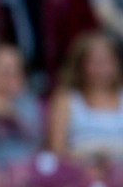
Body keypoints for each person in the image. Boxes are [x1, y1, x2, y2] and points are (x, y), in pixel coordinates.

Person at [47, 31, 123, 163]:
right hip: (79, 173)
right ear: (80, 65)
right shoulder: (66, 98)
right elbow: (57, 150)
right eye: (95, 63)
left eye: (107, 61)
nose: (102, 69)